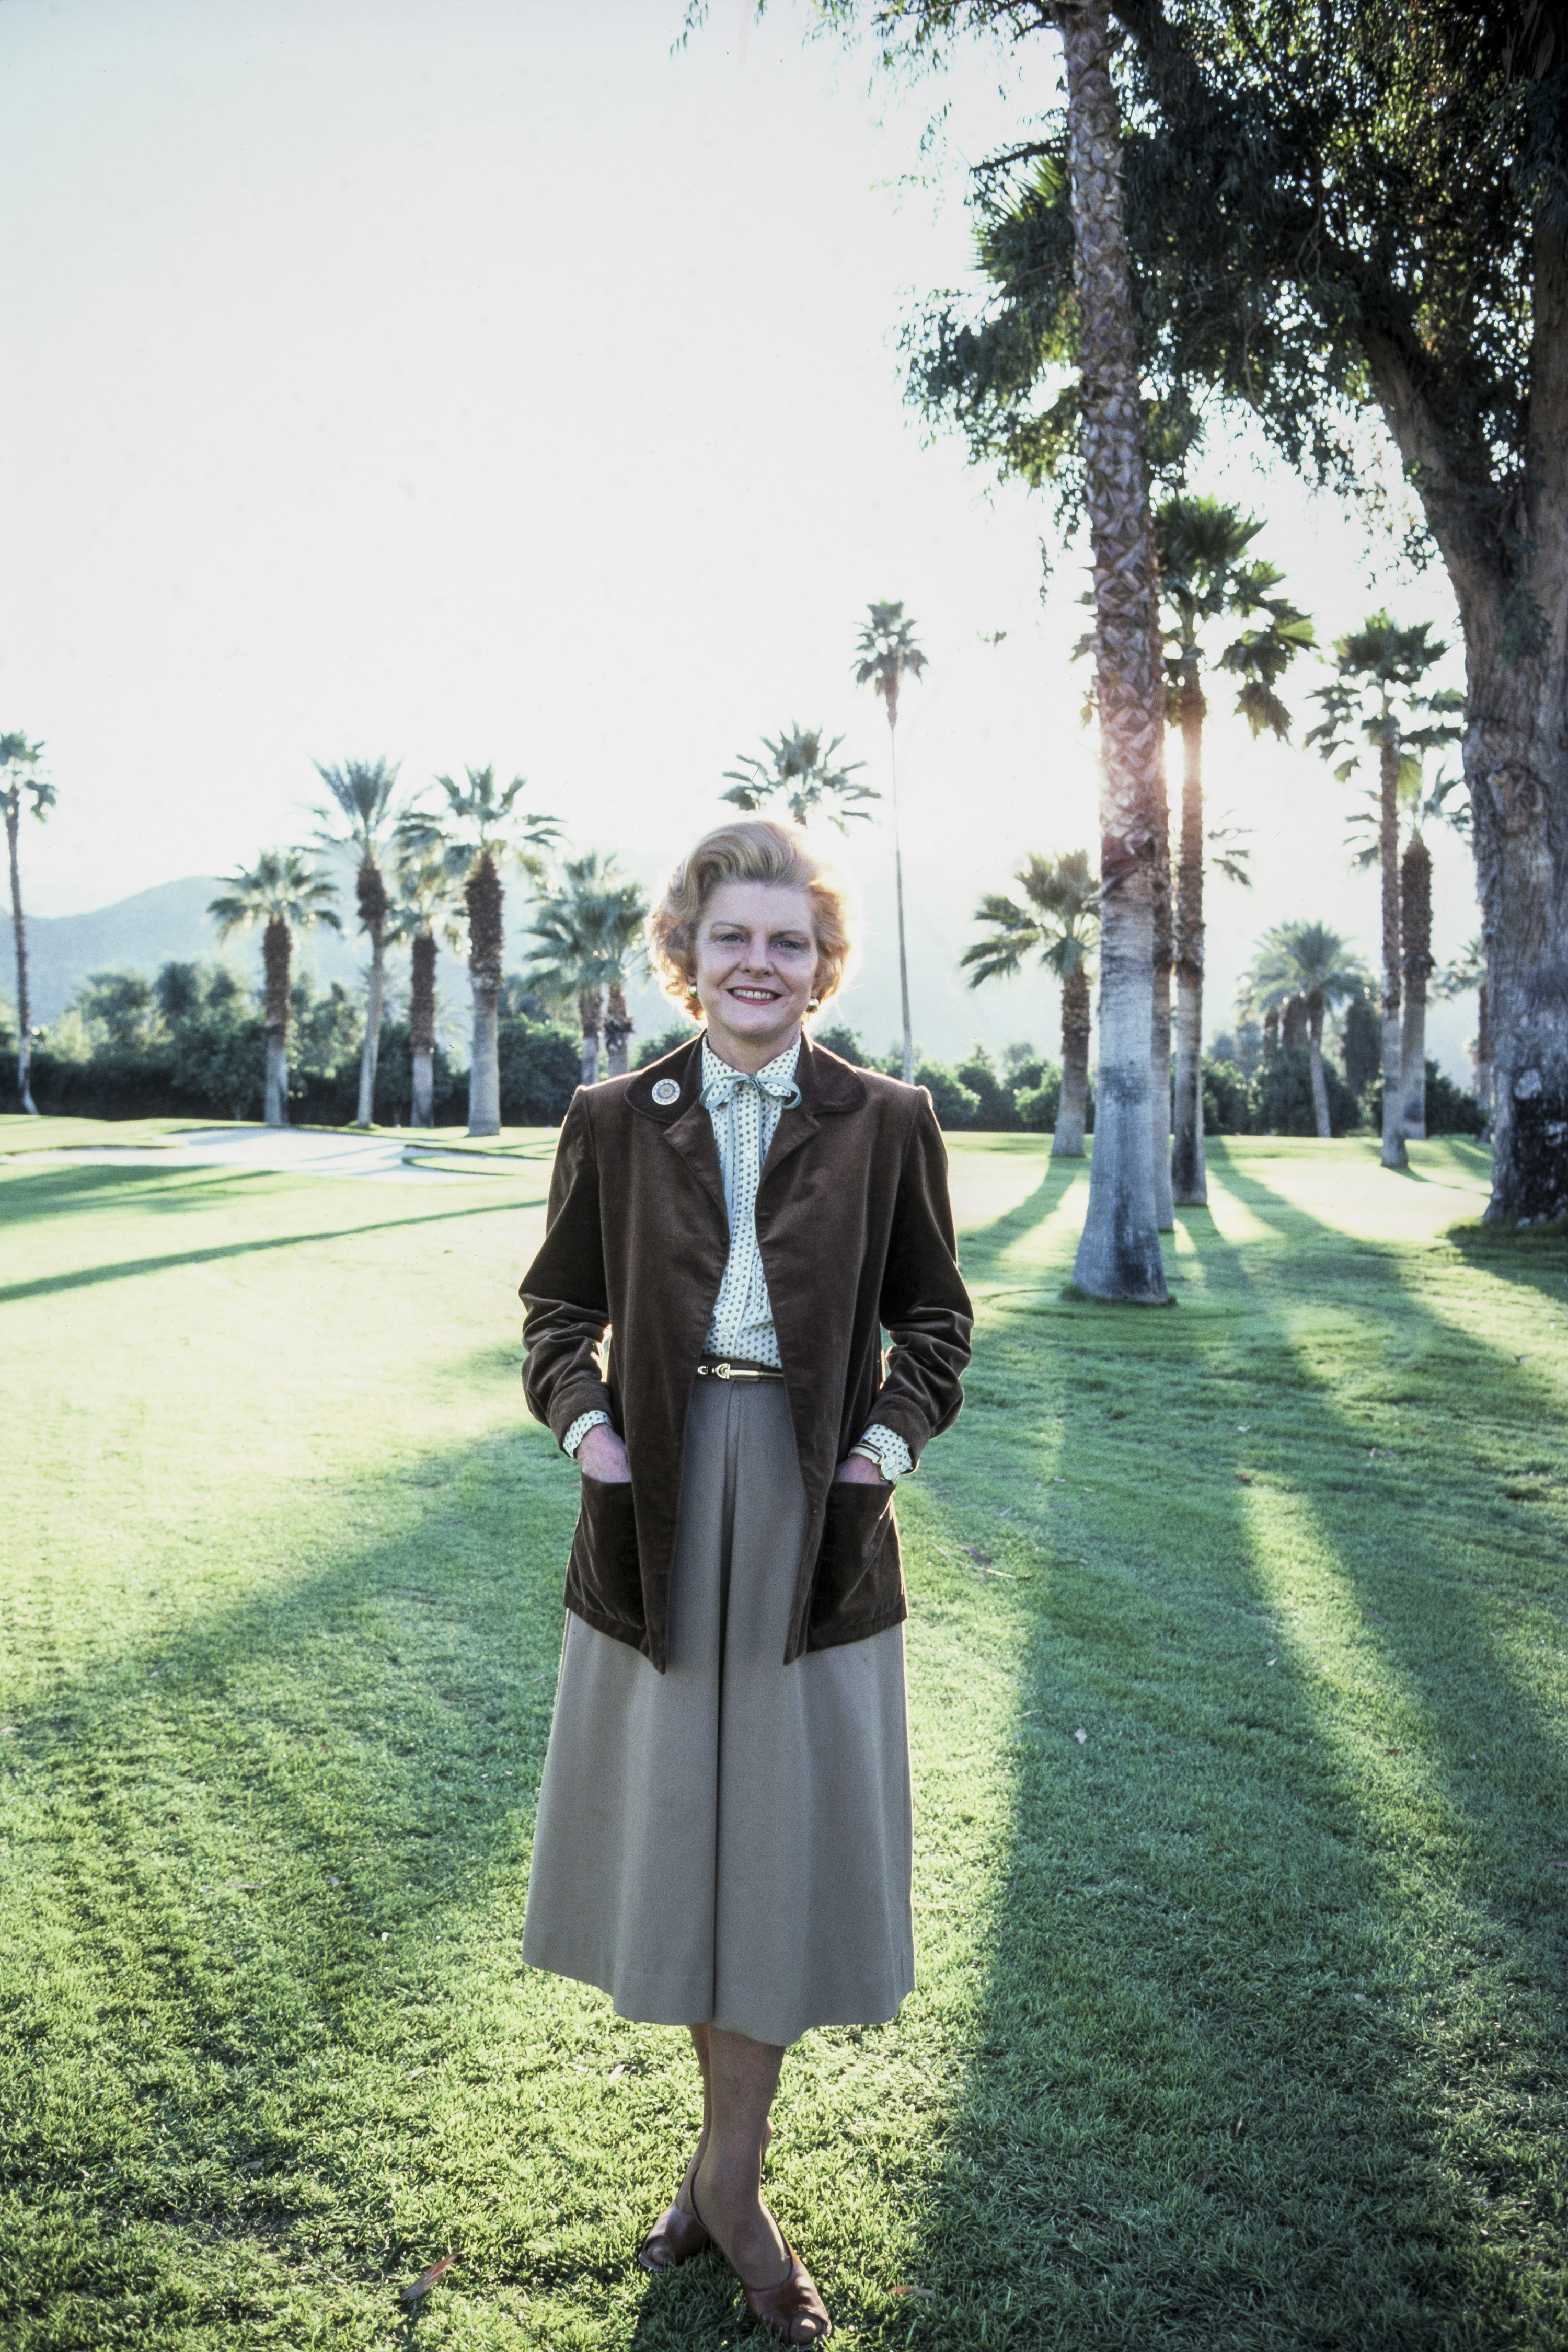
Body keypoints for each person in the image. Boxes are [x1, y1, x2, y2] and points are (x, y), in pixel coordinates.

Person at [518, 818, 972, 2344]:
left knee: (772, 1851)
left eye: (788, 940)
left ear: (820, 961)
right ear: (688, 954)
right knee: (692, 1843)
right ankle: (727, 2182)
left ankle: (729, 2181)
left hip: (813, 1519)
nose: (760, 963)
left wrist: (877, 1461)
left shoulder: (889, 1118)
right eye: (733, 939)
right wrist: (588, 1430)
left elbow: (938, 1329)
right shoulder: (610, 1114)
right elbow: (556, 1310)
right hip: (654, 1509)